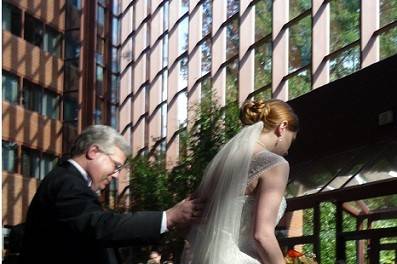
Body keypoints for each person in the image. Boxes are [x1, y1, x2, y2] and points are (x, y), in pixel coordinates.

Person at [19, 125, 203, 264]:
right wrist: (168, 218)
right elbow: (102, 227)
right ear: (93, 152)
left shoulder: (66, 181)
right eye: (116, 166)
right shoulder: (68, 183)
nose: (116, 175)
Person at [180, 99, 299, 264]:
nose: (287, 151)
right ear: (282, 128)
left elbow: (191, 219)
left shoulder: (222, 163)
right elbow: (262, 236)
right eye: (291, 141)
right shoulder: (275, 164)